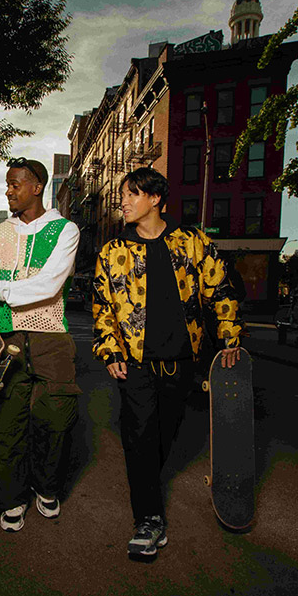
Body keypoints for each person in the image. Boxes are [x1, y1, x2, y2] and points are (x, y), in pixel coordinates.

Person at [92, 167, 244, 558]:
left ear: (155, 198)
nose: (124, 202)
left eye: (132, 194)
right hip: (135, 364)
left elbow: (219, 289)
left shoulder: (192, 242)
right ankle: (148, 520)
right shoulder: (113, 251)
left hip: (181, 362)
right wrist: (110, 349)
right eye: (123, 195)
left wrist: (230, 335)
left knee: (162, 438)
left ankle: (147, 493)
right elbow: (103, 306)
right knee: (139, 439)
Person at [0, 157, 81, 532]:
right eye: (7, 184)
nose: (9, 191)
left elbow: (48, 286)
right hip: (5, 339)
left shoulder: (65, 230)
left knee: (56, 421)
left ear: (37, 187)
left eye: (15, 184)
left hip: (51, 338)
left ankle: (46, 487)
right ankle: (11, 499)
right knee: (5, 425)